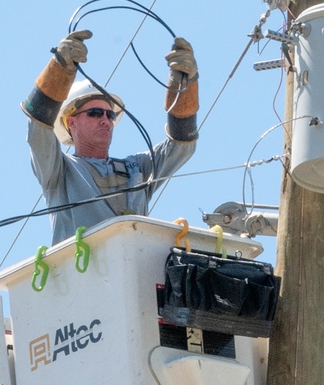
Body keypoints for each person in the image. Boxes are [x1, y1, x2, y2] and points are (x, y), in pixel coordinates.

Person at [22, 28, 199, 243]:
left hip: (131, 270)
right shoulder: (59, 171)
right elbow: (38, 131)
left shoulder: (138, 168)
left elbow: (181, 146)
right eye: (95, 113)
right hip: (83, 271)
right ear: (71, 122)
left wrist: (185, 86)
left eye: (110, 115)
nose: (105, 120)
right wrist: (59, 68)